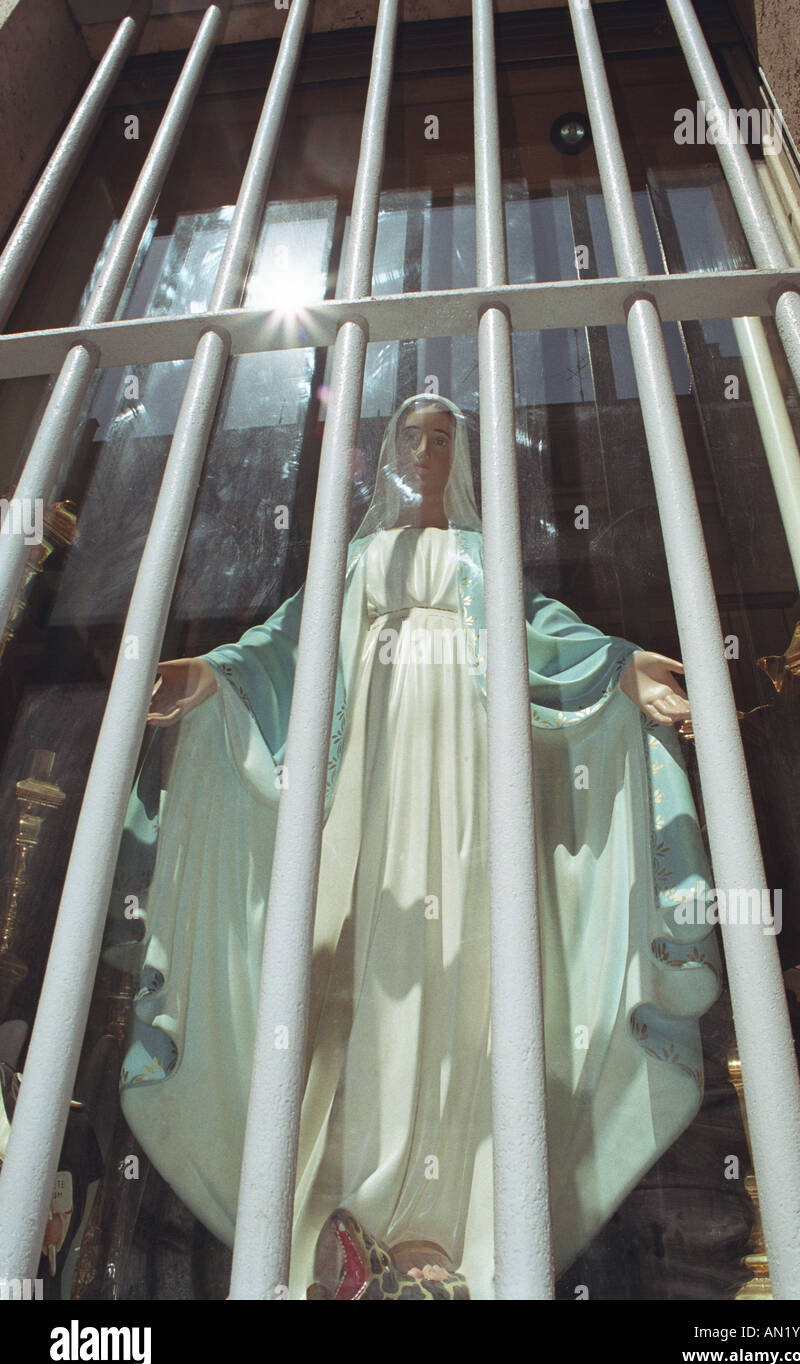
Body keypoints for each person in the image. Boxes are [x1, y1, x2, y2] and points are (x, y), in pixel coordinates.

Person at [104, 393, 720, 1300]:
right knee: (349, 960)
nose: (426, 452)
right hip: (369, 776)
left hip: (465, 770)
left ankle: (440, 1224)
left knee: (457, 969)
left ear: (462, 458)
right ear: (386, 454)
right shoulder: (353, 562)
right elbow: (281, 652)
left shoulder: (482, 560)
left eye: (442, 439)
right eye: (410, 437)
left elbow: (546, 642)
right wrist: (205, 676)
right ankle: (337, 1212)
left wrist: (620, 669)